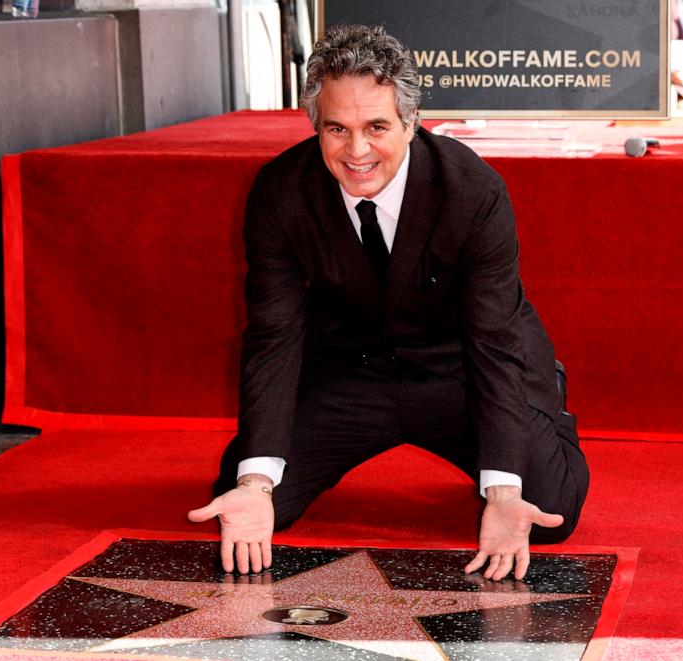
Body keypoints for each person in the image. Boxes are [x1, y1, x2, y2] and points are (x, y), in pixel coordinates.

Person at [188, 25, 589, 583]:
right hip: (352, 370)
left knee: (549, 512)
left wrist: (502, 488)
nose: (356, 152)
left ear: (411, 122)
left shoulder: (472, 190)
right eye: (337, 128)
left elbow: (493, 341)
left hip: (463, 368)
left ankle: (546, 405)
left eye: (376, 127)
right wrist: (256, 484)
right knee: (244, 501)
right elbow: (274, 337)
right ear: (315, 125)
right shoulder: (281, 193)